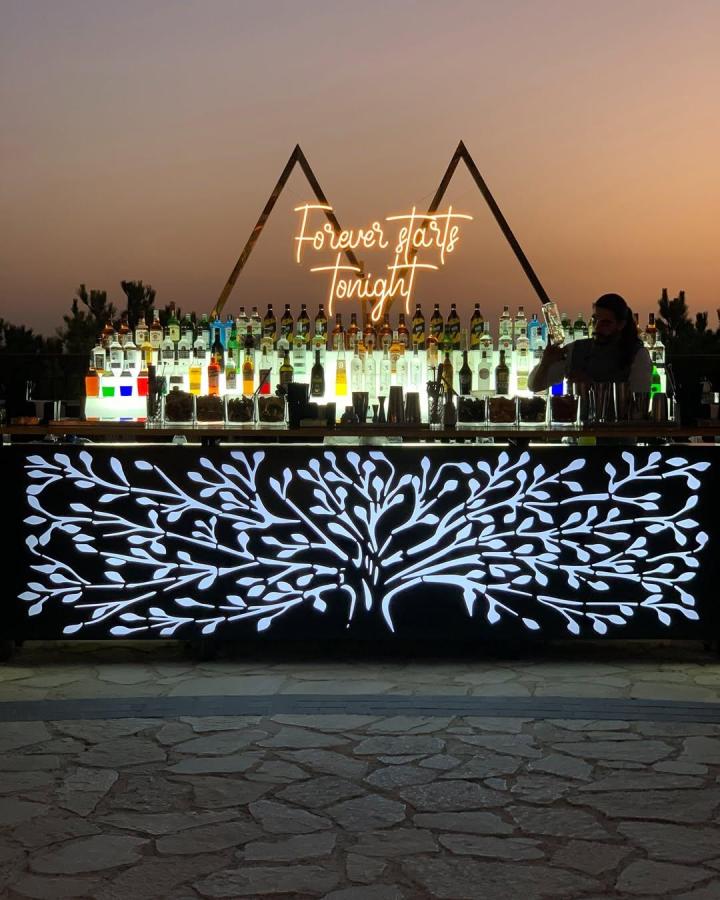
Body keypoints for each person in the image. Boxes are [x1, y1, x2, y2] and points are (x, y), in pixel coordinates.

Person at [528, 293, 652, 393]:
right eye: (595, 320)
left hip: (618, 424)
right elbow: (535, 387)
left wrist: (592, 386)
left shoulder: (638, 355)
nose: (597, 327)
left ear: (621, 324)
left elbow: (639, 403)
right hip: (577, 423)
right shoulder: (575, 349)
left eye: (605, 322)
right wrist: (545, 362)